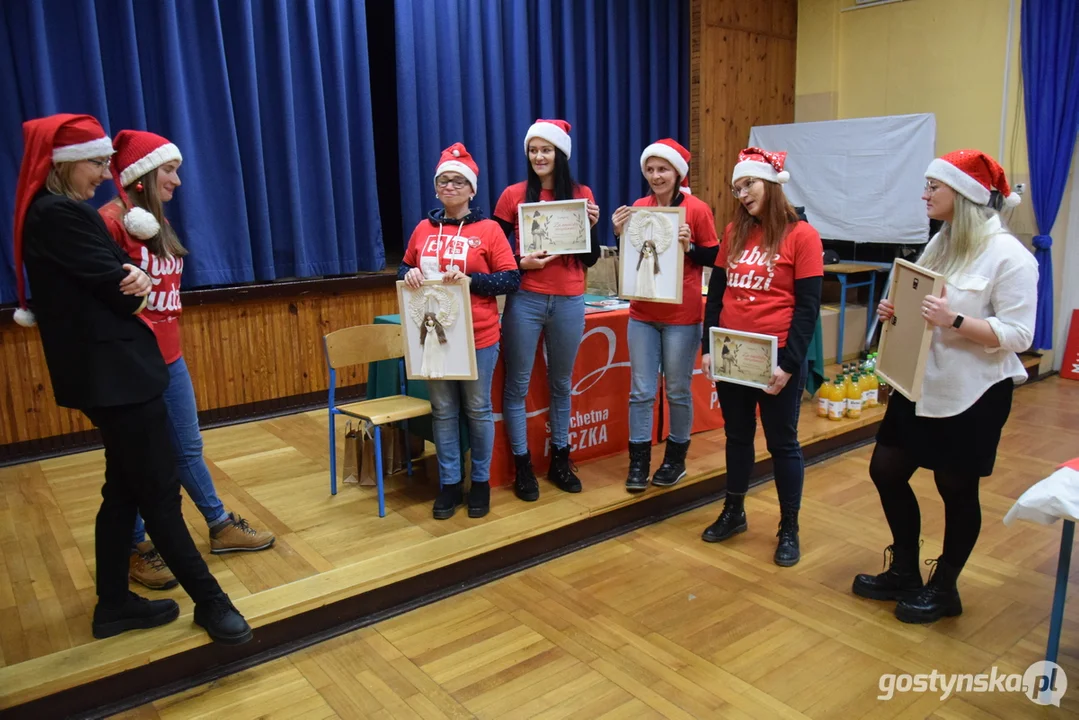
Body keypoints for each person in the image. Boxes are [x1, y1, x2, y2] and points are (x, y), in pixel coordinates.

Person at [13, 113, 250, 643]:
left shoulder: (66, 213)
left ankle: (113, 606)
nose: (104, 172)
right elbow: (122, 287)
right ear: (65, 164)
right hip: (117, 377)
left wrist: (131, 278)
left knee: (121, 490)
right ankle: (214, 605)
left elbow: (124, 273)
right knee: (159, 493)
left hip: (116, 374)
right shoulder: (59, 216)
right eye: (96, 163)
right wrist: (133, 282)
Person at [852, 150, 1037, 623]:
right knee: (886, 470)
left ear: (965, 195)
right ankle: (906, 572)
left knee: (956, 488)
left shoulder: (1010, 256)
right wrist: (896, 313)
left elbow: (1020, 336)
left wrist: (955, 320)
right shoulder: (941, 244)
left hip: (973, 392)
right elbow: (918, 301)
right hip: (921, 384)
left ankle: (945, 587)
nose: (925, 194)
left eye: (934, 187)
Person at [98, 130, 275, 591]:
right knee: (135, 458)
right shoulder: (111, 222)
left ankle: (218, 527)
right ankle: (138, 545)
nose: (177, 181)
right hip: (132, 364)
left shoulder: (157, 221)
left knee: (186, 447)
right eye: (170, 171)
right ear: (142, 175)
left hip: (170, 359)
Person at [698, 148, 823, 568]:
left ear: (771, 183)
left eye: (748, 183)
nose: (742, 193)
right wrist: (708, 348)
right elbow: (716, 296)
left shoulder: (802, 236)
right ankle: (734, 511)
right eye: (737, 187)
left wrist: (789, 364)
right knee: (736, 436)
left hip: (776, 360)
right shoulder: (733, 231)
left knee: (782, 443)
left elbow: (807, 309)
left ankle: (789, 527)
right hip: (734, 355)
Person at [399, 143, 520, 519]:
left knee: (478, 409)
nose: (450, 187)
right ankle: (450, 483)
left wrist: (472, 280)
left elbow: (510, 278)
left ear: (471, 190)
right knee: (443, 410)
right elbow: (402, 271)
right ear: (436, 189)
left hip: (478, 336)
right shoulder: (422, 229)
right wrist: (410, 274)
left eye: (458, 181)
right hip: (432, 338)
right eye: (443, 181)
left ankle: (480, 481)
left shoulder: (489, 230)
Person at [492, 119, 601, 501]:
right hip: (526, 299)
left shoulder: (580, 194)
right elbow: (492, 249)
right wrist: (522, 263)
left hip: (570, 299)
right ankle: (523, 467)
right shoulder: (513, 195)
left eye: (546, 150)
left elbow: (589, 258)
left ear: (560, 154)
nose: (539, 156)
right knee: (517, 384)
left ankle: (560, 459)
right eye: (533, 150)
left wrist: (592, 226)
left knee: (560, 384)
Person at [611, 139, 719, 493]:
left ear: (678, 173)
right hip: (642, 312)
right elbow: (630, 257)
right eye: (651, 169)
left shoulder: (698, 209)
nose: (657, 176)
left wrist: (693, 247)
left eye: (664, 169)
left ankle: (675, 459)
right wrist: (617, 232)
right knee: (640, 391)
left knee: (677, 389)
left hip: (681, 317)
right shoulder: (638, 208)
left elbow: (715, 258)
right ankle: (639, 461)